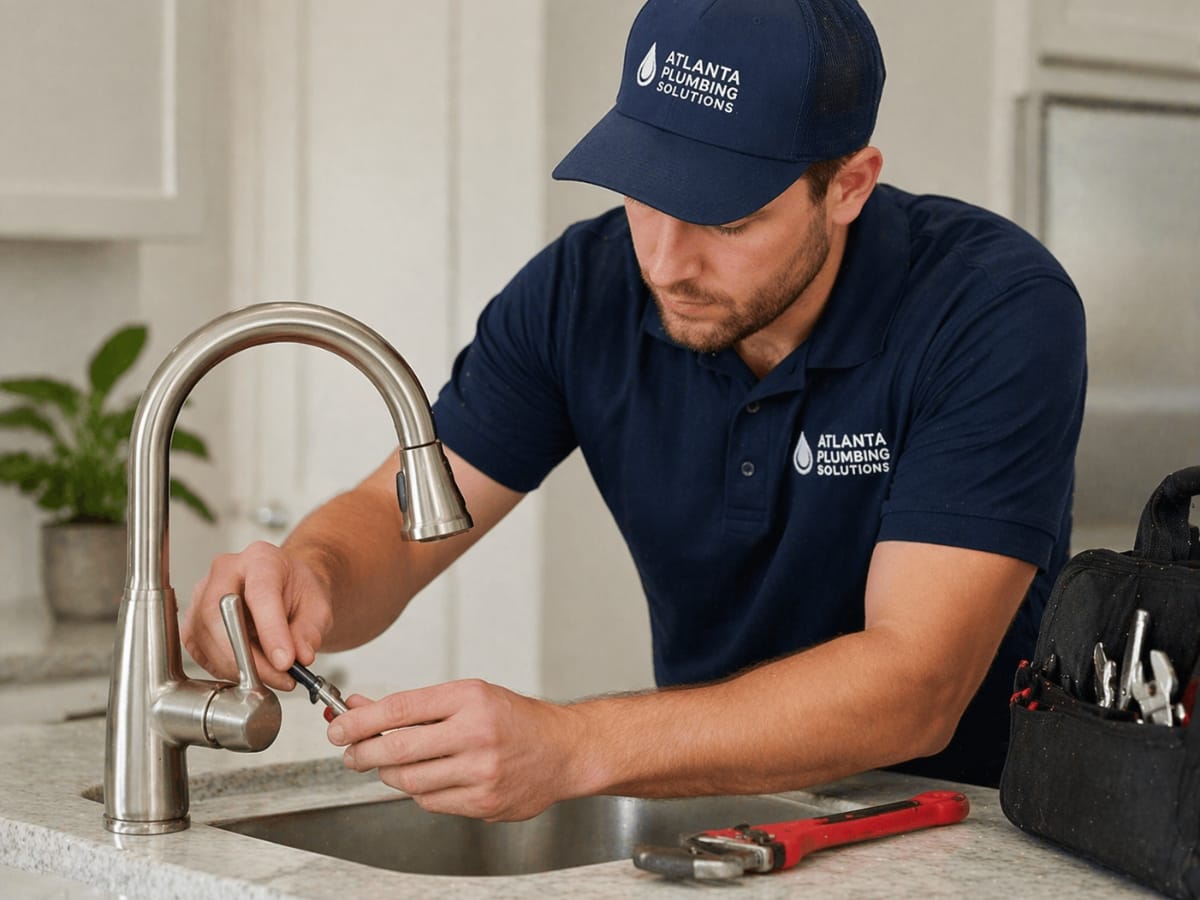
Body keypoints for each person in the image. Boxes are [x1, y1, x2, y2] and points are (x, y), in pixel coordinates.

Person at [183, 0, 1086, 819]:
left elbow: (914, 682)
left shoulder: (992, 307)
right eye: (644, 194)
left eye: (726, 221)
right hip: (720, 811)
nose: (664, 261)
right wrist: (312, 575)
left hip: (973, 827)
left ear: (847, 185)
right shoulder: (581, 290)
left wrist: (575, 745)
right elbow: (400, 517)